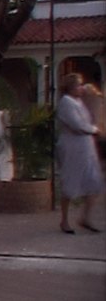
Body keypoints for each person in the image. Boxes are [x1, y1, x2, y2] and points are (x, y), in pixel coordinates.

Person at [56, 73, 105, 234]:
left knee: (94, 182)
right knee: (70, 182)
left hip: (86, 146)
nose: (80, 88)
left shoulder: (79, 102)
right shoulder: (66, 102)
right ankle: (64, 220)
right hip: (72, 146)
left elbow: (90, 117)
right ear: (70, 87)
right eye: (78, 85)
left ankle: (85, 217)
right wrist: (94, 130)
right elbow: (77, 125)